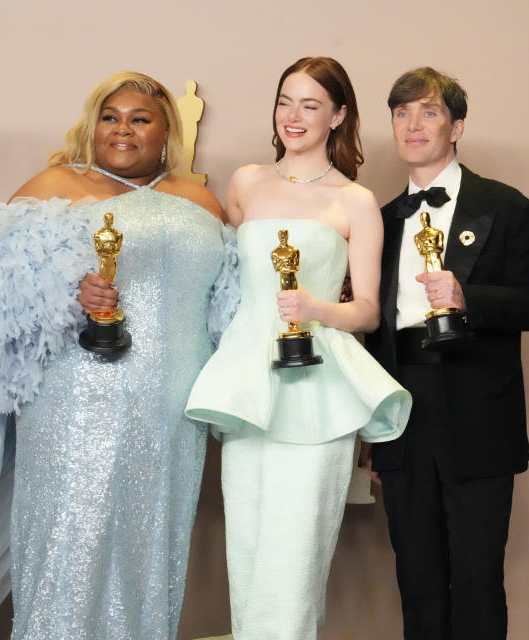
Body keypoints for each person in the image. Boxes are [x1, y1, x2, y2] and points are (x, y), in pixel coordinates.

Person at [0, 70, 228, 640]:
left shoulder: (200, 198)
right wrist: (68, 292)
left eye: (139, 118)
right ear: (92, 125)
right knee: (70, 538)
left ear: (166, 132)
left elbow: (225, 297)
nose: (121, 129)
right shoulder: (57, 182)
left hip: (175, 409)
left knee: (154, 540)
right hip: (78, 396)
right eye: (109, 116)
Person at [184, 57, 411, 640]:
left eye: (311, 105)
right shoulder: (245, 183)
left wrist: (315, 310)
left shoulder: (356, 201)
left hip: (317, 386)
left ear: (338, 115)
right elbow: (231, 281)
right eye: (286, 101)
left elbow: (367, 309)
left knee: (296, 553)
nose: (295, 116)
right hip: (248, 381)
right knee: (250, 545)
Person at [364, 67, 529, 639]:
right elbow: (375, 331)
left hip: (478, 414)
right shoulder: (379, 221)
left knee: (476, 581)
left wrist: (467, 297)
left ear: (457, 126)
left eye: (428, 112)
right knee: (416, 581)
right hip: (403, 416)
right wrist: (373, 428)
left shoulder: (508, 207)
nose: (413, 125)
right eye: (401, 113)